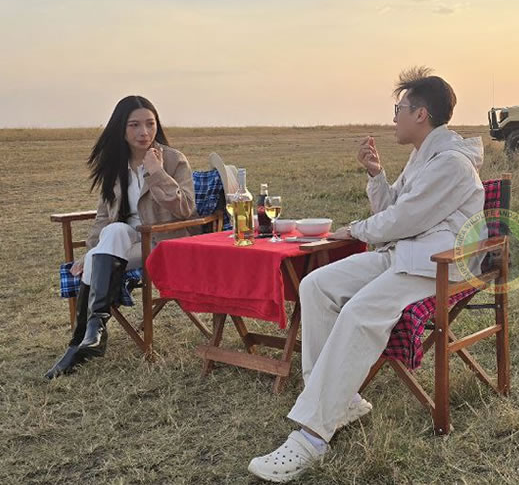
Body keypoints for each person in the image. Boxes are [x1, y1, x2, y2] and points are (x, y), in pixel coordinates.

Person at [247, 67, 486, 482]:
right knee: (316, 285)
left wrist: (354, 230)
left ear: (421, 114)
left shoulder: (452, 164)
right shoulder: (424, 155)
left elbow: (404, 219)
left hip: (438, 263)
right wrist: (376, 174)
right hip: (405, 252)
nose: (394, 118)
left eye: (399, 109)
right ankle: (338, 400)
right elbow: (393, 210)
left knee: (360, 312)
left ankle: (313, 435)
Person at [45, 95, 196, 379]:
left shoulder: (173, 159)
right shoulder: (115, 165)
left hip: (162, 242)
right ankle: (92, 333)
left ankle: (81, 340)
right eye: (134, 125)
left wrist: (156, 172)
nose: (144, 132)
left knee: (103, 250)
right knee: (113, 231)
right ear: (121, 129)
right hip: (123, 241)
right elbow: (105, 216)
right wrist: (90, 250)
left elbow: (186, 209)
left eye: (150, 124)